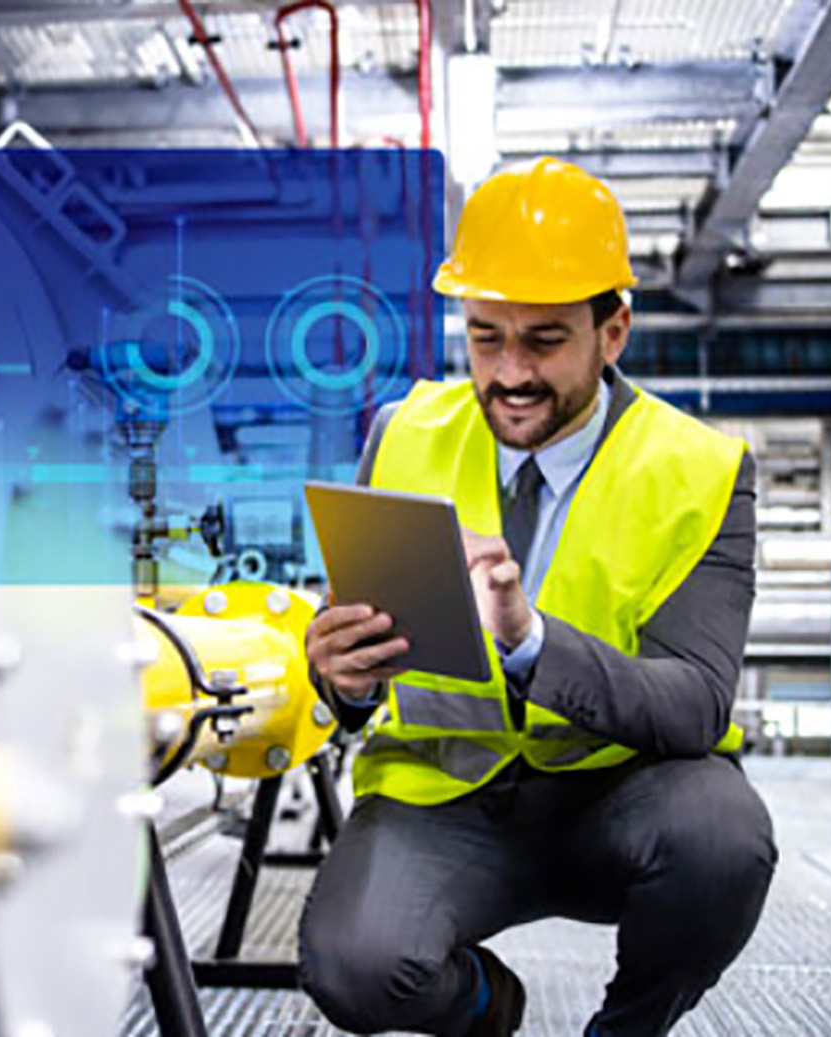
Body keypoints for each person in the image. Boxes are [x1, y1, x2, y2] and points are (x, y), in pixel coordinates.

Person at [298, 157, 778, 1037]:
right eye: (486, 337)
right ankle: (489, 1008)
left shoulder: (701, 473)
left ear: (615, 330)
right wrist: (340, 678)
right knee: (354, 966)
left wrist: (529, 640)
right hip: (442, 793)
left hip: (619, 796)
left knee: (722, 838)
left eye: (545, 340)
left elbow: (696, 704)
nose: (510, 373)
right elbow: (352, 671)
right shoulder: (400, 437)